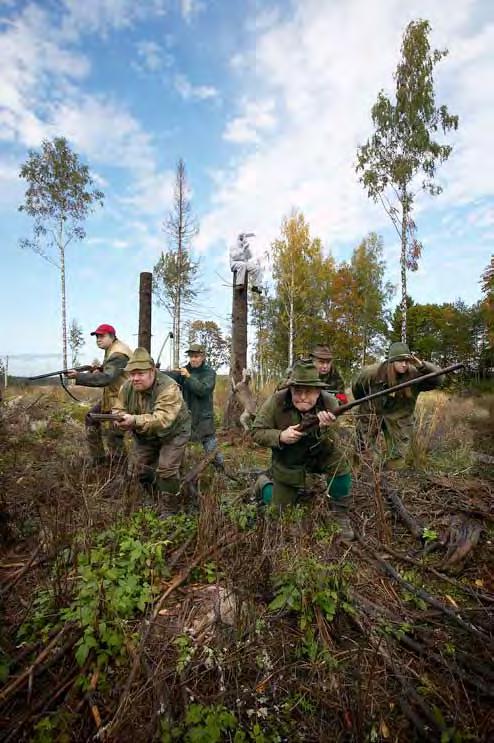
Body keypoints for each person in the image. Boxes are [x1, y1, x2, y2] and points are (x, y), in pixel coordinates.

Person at [251, 362, 353, 539]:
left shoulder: (330, 402)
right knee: (278, 515)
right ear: (290, 389)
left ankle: (340, 515)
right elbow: (256, 432)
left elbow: (339, 442)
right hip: (289, 460)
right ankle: (263, 483)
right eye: (297, 391)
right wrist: (280, 436)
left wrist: (326, 429)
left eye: (310, 391)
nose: (303, 397)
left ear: (318, 391)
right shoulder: (276, 401)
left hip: (321, 454)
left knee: (340, 462)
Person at [112, 348, 191, 499]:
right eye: (132, 374)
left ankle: (170, 509)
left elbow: (162, 419)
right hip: (146, 434)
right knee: (138, 469)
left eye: (140, 374)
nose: (135, 378)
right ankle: (154, 496)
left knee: (167, 469)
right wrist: (118, 419)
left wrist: (134, 420)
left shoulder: (169, 387)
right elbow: (118, 408)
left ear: (152, 371)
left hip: (173, 433)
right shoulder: (127, 387)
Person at [352, 341, 444, 469]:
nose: (404, 364)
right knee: (365, 454)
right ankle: (366, 470)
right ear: (392, 361)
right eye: (400, 361)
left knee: (397, 462)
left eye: (407, 360)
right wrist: (366, 406)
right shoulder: (372, 373)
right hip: (372, 413)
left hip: (399, 419)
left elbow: (438, 380)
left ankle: (390, 474)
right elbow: (357, 389)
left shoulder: (414, 374)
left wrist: (422, 366)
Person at [66, 323, 131, 465]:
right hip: (113, 396)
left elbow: (106, 378)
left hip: (123, 399)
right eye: (96, 336)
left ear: (112, 336)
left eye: (102, 336)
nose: (98, 339)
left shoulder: (118, 353)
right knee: (91, 418)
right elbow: (110, 373)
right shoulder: (112, 349)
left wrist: (79, 376)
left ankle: (120, 467)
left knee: (114, 433)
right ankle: (99, 459)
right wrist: (99, 370)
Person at [167, 344, 224, 468]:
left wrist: (188, 376)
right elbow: (169, 378)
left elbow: (203, 390)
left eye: (196, 356)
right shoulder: (184, 370)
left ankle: (222, 474)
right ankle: (184, 471)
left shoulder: (209, 373)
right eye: (191, 356)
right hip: (186, 417)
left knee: (212, 450)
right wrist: (156, 372)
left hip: (203, 419)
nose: (193, 359)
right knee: (181, 448)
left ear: (202, 357)